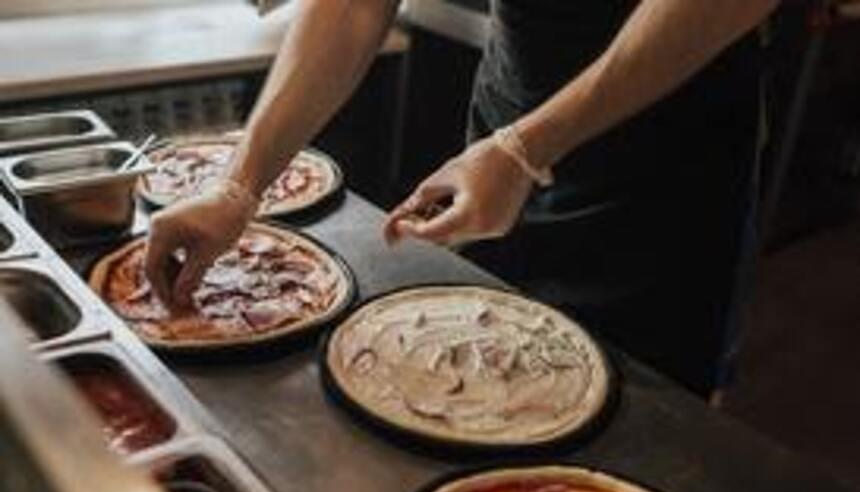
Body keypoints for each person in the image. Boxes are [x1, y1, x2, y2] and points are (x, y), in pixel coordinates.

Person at [145, 0, 780, 396]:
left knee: (640, 427)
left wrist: (529, 148)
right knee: (472, 386)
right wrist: (239, 184)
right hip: (509, 121)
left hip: (662, 163)